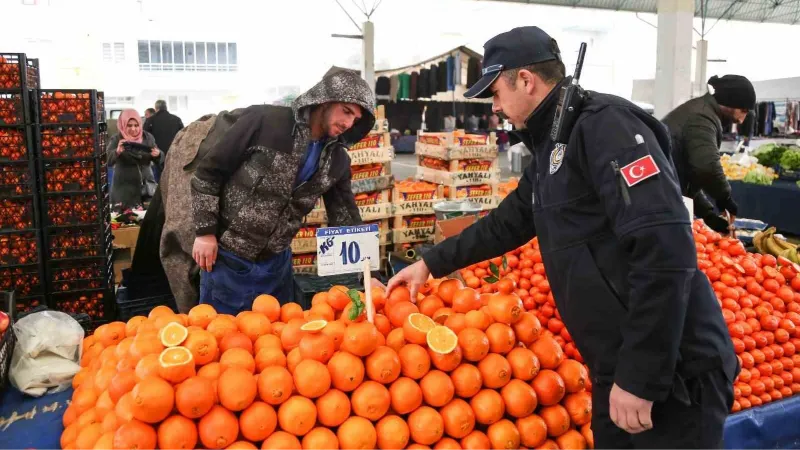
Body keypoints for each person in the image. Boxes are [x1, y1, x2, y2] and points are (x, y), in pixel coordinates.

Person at [387, 26, 737, 450]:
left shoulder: (607, 128)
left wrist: (640, 377)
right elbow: (508, 222)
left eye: (496, 93)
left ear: (526, 80)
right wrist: (429, 263)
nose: (494, 108)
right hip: (616, 364)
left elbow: (664, 253)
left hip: (674, 370)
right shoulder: (555, 142)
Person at [190, 69, 375, 314]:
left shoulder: (337, 161)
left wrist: (367, 274)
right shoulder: (264, 121)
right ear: (324, 100)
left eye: (356, 119)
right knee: (222, 341)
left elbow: (346, 218)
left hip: (277, 266)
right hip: (227, 258)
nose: (349, 123)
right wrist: (205, 233)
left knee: (277, 344)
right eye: (346, 111)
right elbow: (209, 172)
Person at [662, 75, 755, 233]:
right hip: (660, 199)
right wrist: (725, 198)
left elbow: (688, 176)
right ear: (730, 102)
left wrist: (708, 214)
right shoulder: (702, 118)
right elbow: (706, 167)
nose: (741, 120)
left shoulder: (702, 110)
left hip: (665, 191)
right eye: (743, 111)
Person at [107, 109, 161, 209]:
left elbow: (160, 160)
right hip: (124, 192)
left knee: (147, 221)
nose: (133, 129)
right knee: (125, 222)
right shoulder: (116, 139)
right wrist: (117, 152)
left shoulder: (148, 137)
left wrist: (158, 155)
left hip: (147, 191)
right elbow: (107, 160)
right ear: (123, 125)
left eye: (136, 125)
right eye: (129, 125)